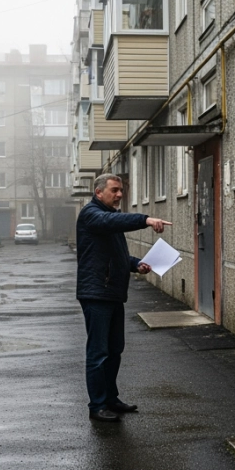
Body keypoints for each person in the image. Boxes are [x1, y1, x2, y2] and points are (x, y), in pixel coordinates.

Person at [76, 173, 171, 423]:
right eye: (115, 190)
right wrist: (146, 219)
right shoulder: (92, 214)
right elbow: (108, 222)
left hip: (112, 292)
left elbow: (115, 255)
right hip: (96, 293)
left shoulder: (110, 219)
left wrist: (136, 264)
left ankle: (110, 399)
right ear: (98, 193)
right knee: (98, 353)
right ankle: (97, 406)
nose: (120, 195)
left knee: (115, 350)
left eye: (121, 191)